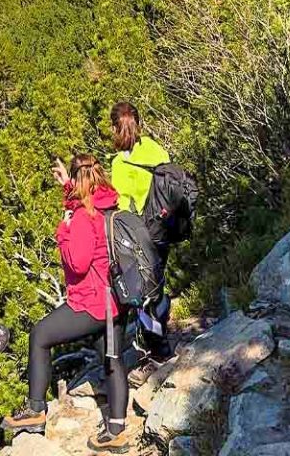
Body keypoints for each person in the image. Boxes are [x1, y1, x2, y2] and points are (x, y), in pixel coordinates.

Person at [2, 155, 131, 454]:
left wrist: (63, 234)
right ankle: (116, 430)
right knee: (111, 360)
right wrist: (68, 188)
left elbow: (78, 262)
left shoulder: (85, 217)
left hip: (91, 302)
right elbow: (82, 200)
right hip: (115, 302)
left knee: (40, 336)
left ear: (79, 179)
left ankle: (35, 411)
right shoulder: (106, 203)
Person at [109, 101, 173, 381]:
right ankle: (157, 343)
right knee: (156, 284)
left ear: (114, 128)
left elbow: (121, 206)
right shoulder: (155, 149)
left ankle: (160, 352)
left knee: (145, 294)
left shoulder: (120, 163)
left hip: (140, 234)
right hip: (165, 228)